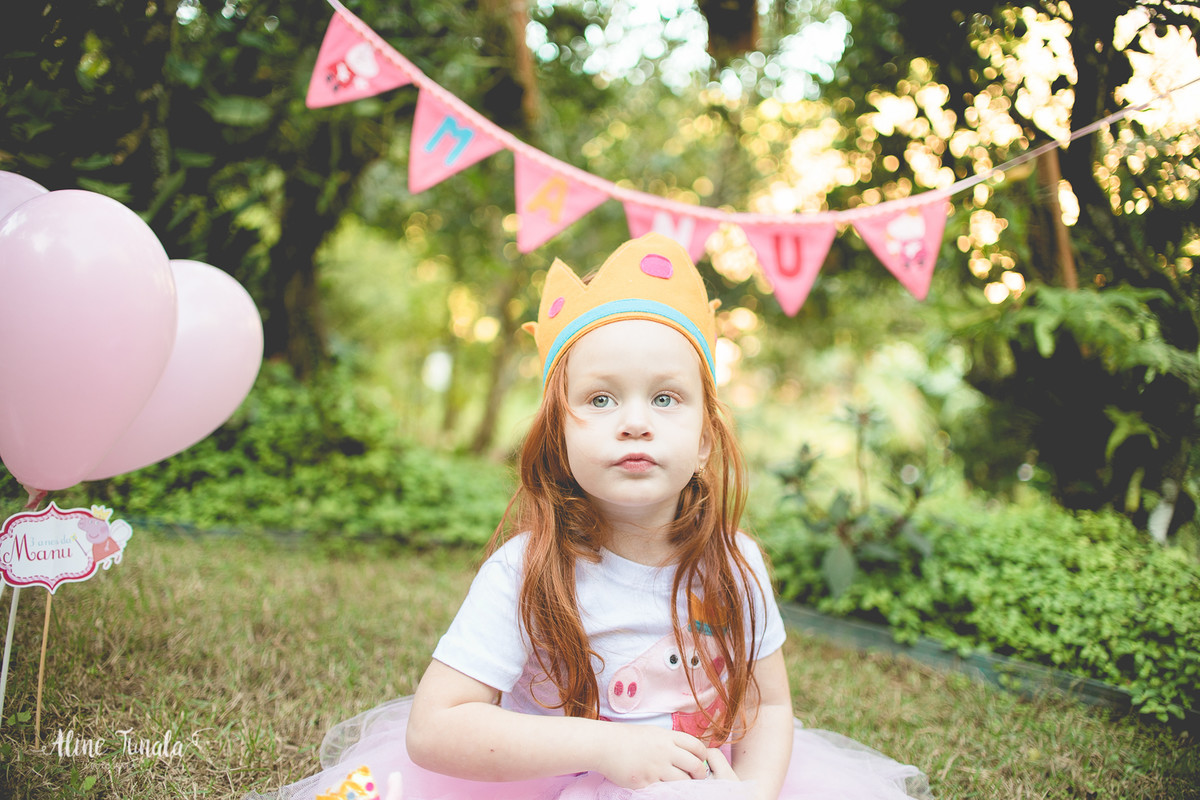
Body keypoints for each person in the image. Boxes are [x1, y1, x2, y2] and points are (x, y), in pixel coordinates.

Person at [251, 234, 931, 800]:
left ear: (703, 442)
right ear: (559, 435)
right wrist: (609, 746)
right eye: (601, 400)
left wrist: (749, 793)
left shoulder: (736, 563)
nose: (634, 422)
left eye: (665, 399)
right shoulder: (525, 571)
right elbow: (434, 729)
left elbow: (771, 707)